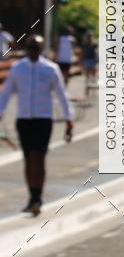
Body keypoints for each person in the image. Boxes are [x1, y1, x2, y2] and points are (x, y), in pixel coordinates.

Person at [0, 34, 73, 215]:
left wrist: (68, 119)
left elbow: (61, 94)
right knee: (27, 158)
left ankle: (38, 198)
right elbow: (7, 93)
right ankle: (31, 196)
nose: (33, 51)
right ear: (27, 48)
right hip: (24, 119)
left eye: (37, 48)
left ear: (42, 49)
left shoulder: (50, 69)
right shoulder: (19, 69)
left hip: (43, 119)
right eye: (31, 47)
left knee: (38, 157)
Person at [79, 31, 98, 98]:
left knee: (90, 78)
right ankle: (90, 93)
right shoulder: (90, 44)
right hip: (89, 61)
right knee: (90, 78)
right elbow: (83, 53)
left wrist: (81, 61)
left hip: (89, 61)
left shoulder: (92, 44)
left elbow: (82, 53)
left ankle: (90, 93)